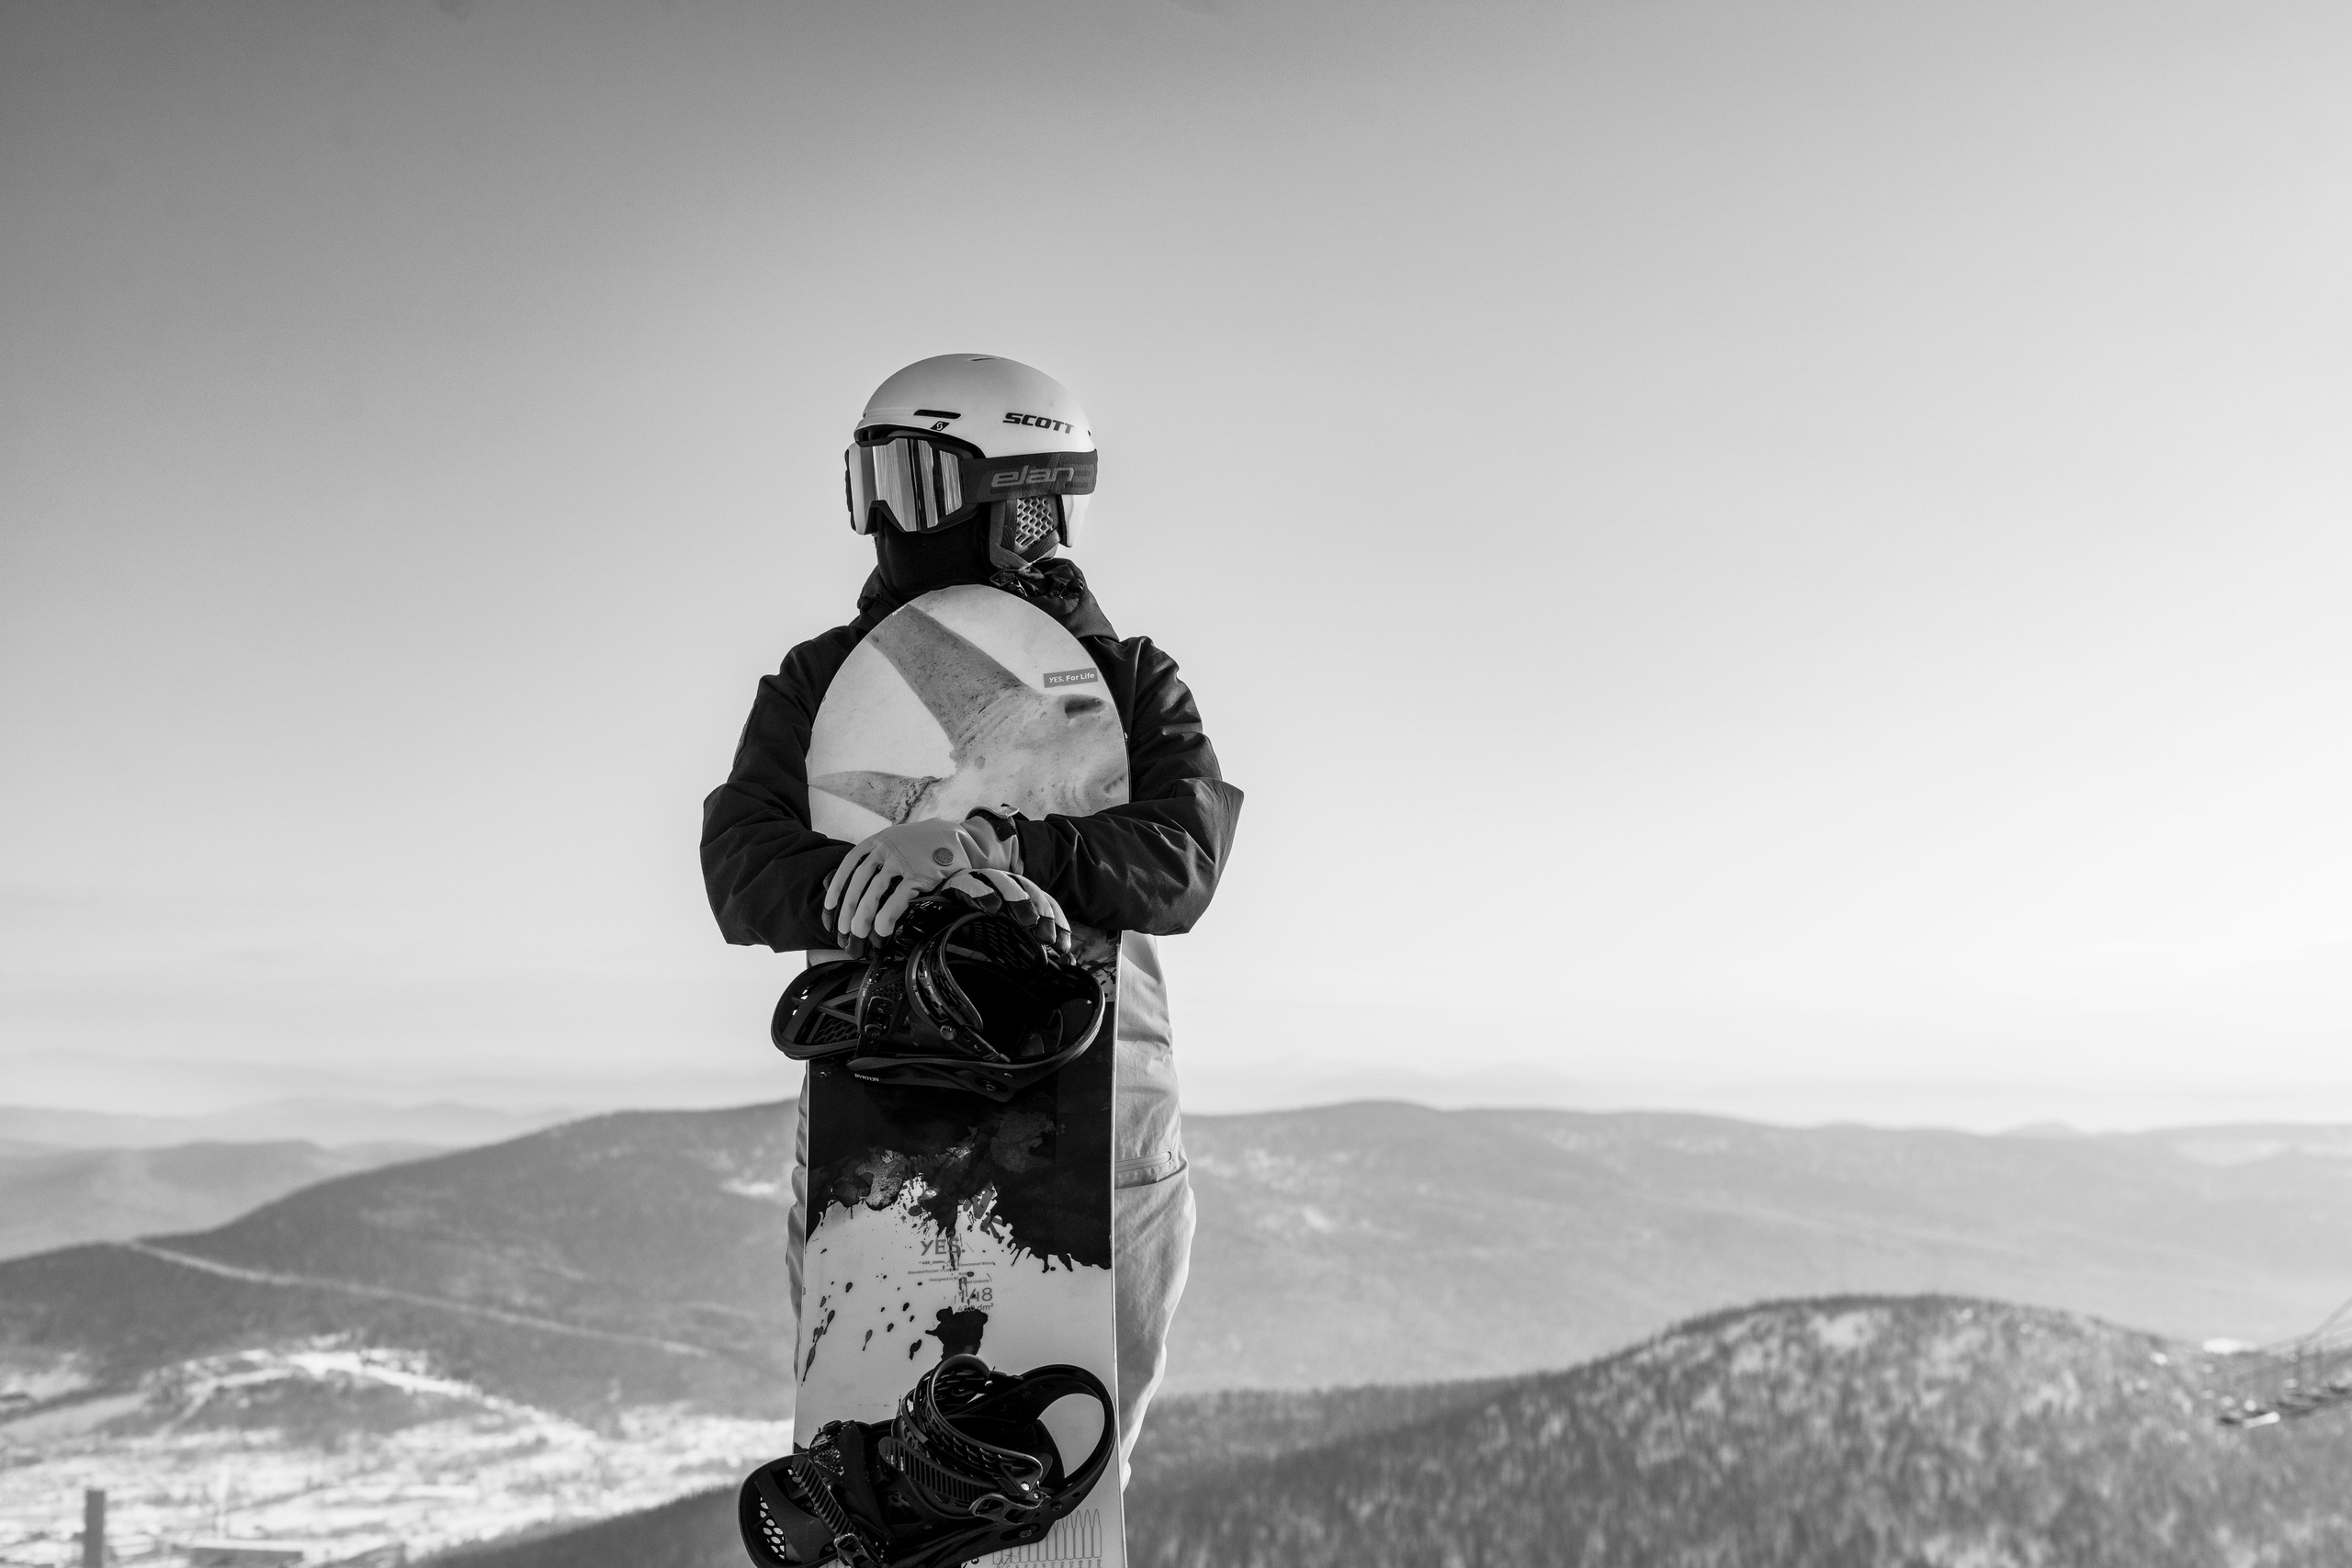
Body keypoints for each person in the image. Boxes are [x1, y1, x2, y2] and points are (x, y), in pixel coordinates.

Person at [700, 354, 1243, 1471]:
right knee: (891, 1458)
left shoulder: (1130, 681)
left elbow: (1180, 858)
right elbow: (740, 864)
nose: (888, 521)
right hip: (878, 1101)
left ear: (1019, 495)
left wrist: (989, 846)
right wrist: (877, 864)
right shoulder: (820, 682)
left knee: (1065, 1477)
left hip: (1098, 1120)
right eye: (870, 484)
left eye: (917, 481)